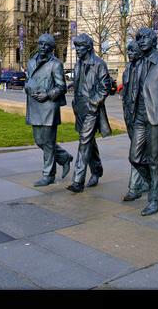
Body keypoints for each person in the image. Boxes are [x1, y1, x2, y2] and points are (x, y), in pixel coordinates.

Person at [129, 27, 158, 216]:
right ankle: (152, 183)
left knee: (155, 161)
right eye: (138, 38)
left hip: (156, 119)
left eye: (145, 38)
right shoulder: (138, 63)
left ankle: (156, 198)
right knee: (135, 157)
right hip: (139, 117)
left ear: (153, 40)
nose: (141, 41)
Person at [25, 33, 73, 186]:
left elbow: (62, 87)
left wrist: (47, 94)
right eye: (40, 44)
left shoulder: (56, 64)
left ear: (52, 48)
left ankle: (48, 175)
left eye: (46, 45)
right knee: (39, 141)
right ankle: (64, 157)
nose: (42, 47)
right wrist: (28, 88)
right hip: (34, 105)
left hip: (49, 107)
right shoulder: (31, 62)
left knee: (48, 142)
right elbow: (28, 81)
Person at [66, 33, 112, 193]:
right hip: (79, 108)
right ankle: (97, 170)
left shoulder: (99, 64)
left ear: (88, 47)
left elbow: (105, 86)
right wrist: (72, 86)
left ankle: (77, 181)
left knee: (84, 142)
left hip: (92, 109)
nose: (77, 50)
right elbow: (82, 82)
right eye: (76, 46)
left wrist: (94, 102)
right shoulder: (79, 63)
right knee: (89, 142)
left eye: (80, 47)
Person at [120, 40, 149, 201]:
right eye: (128, 51)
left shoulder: (147, 68)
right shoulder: (128, 69)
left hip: (143, 117)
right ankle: (147, 180)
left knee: (135, 154)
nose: (129, 53)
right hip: (130, 116)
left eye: (132, 51)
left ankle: (134, 187)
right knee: (140, 152)